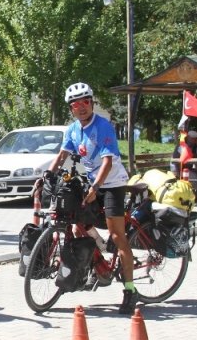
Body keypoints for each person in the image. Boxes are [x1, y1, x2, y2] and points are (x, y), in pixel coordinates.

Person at [44, 82, 137, 315]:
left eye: (85, 102)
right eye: (76, 104)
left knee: (118, 235)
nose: (81, 107)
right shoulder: (72, 130)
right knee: (76, 222)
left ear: (92, 103)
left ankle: (129, 289)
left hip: (112, 184)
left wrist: (96, 187)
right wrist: (46, 176)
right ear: (71, 109)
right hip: (92, 184)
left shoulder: (103, 126)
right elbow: (62, 155)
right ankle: (96, 264)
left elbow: (106, 162)